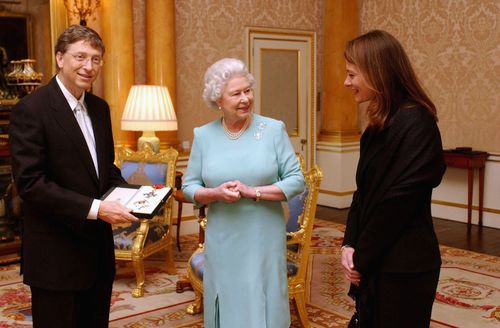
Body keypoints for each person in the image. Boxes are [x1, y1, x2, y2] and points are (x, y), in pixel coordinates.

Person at [9, 25, 138, 328]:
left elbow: (105, 170)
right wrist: (97, 209)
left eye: (95, 59)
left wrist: (135, 196)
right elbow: (31, 184)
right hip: (56, 256)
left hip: (97, 255)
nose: (88, 66)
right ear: (60, 58)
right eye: (80, 56)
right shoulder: (32, 109)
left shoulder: (100, 108)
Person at [182, 58, 304, 328]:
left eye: (248, 90)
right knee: (227, 297)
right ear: (218, 99)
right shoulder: (203, 136)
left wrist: (253, 192)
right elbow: (189, 187)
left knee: (262, 296)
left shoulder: (273, 130)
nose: (245, 99)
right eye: (236, 93)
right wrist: (214, 193)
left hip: (263, 234)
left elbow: (296, 180)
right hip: (223, 235)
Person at [340, 30, 446, 327]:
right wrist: (348, 244)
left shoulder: (417, 123)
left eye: (351, 74)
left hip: (405, 267)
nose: (346, 83)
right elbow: (362, 194)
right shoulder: (375, 127)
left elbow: (396, 205)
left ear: (377, 73)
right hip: (375, 260)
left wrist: (363, 258)